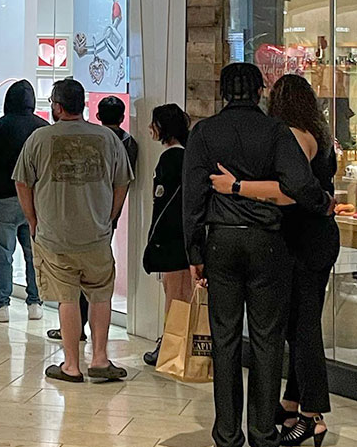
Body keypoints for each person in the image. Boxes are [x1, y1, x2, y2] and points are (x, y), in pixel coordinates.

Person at [183, 63, 332, 447]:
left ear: (223, 93)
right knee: (267, 342)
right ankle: (263, 434)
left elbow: (193, 197)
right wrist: (322, 204)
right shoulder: (276, 131)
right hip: (269, 244)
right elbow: (299, 184)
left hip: (221, 242)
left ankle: (228, 435)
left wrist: (194, 251)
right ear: (260, 91)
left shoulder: (204, 132)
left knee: (226, 340)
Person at [14, 79, 133, 382]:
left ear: (57, 106)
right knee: (100, 294)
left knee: (67, 298)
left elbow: (22, 181)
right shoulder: (108, 138)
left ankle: (71, 365)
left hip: (55, 235)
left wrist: (32, 218)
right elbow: (123, 181)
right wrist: (111, 215)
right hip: (96, 233)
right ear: (83, 105)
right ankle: (100, 358)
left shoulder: (40, 139)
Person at [46, 94, 139, 342]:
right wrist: (112, 214)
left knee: (71, 282)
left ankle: (74, 329)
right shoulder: (126, 143)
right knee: (98, 283)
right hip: (105, 218)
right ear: (122, 117)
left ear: (97, 116)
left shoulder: (93, 140)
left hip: (76, 218)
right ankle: (95, 345)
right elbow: (123, 181)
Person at [0, 80, 47, 322]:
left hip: (1, 199)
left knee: (3, 253)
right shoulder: (43, 129)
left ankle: (1, 305)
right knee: (34, 254)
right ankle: (35, 303)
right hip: (35, 201)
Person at [142, 103, 191, 367]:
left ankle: (172, 349)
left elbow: (162, 204)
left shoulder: (171, 158)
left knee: (176, 297)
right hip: (185, 237)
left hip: (173, 240)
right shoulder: (188, 156)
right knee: (181, 295)